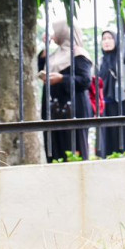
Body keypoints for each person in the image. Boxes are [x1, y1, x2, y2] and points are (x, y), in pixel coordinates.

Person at [38, 20, 93, 162]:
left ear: (64, 32)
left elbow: (85, 81)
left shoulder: (79, 54)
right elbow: (41, 67)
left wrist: (62, 78)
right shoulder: (56, 54)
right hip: (53, 110)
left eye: (56, 30)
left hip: (72, 110)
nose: (53, 33)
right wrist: (46, 47)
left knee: (73, 151)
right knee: (54, 151)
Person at [97, 29, 125, 157]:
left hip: (122, 102)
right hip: (105, 105)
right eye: (104, 39)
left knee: (124, 137)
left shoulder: (121, 59)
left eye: (110, 38)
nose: (106, 41)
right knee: (108, 139)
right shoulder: (100, 61)